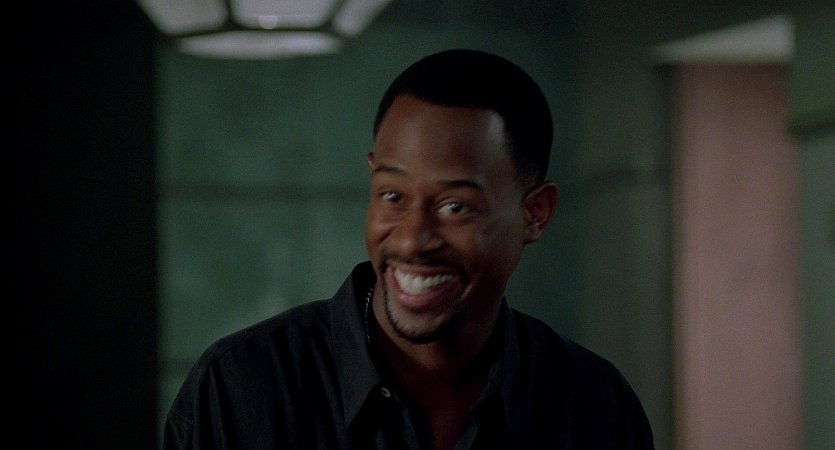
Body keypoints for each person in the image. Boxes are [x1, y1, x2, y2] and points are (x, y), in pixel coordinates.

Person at [163, 49, 655, 450]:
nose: (412, 239)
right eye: (393, 196)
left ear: (535, 213)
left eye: (456, 206)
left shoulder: (593, 404)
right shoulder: (238, 389)